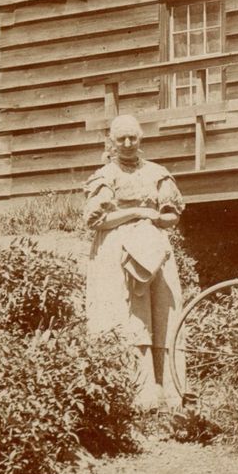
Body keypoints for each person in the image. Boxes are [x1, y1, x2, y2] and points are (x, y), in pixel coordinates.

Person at [84, 113, 185, 408]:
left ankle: (169, 392)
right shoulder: (105, 176)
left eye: (133, 137)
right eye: (121, 139)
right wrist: (138, 213)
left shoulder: (156, 173)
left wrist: (160, 218)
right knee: (126, 316)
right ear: (111, 142)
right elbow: (95, 221)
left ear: (141, 139)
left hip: (154, 251)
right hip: (115, 253)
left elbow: (172, 215)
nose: (128, 143)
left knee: (163, 313)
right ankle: (134, 396)